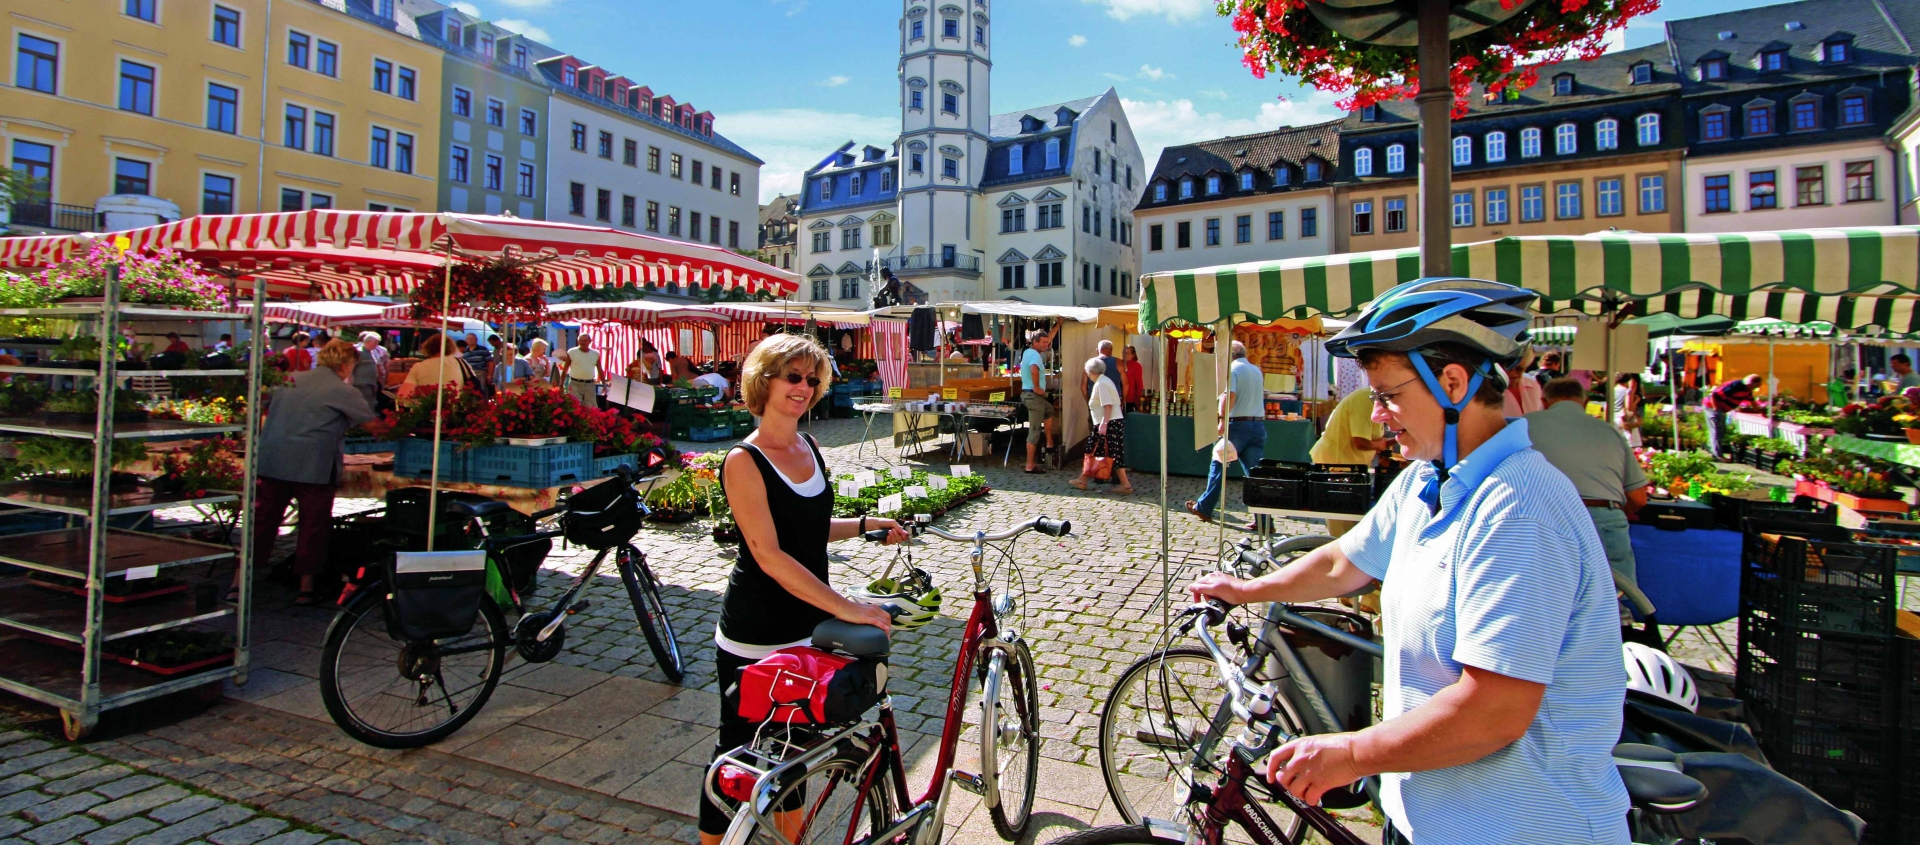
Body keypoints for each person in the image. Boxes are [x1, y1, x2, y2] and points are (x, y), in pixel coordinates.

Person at [1189, 277, 1628, 845]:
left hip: (1518, 825)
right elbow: (1344, 562)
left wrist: (1350, 753)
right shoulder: (1430, 479)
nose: (1376, 416)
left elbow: (1493, 710)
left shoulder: (1518, 508)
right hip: (1429, 814)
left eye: (1388, 396)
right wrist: (1250, 590)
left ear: (1453, 382)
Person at [696, 334, 908, 845]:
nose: (804, 388)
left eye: (813, 380)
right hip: (757, 633)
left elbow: (806, 526)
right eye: (793, 377)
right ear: (763, 381)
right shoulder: (744, 461)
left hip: (805, 628)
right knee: (738, 756)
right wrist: (848, 607)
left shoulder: (808, 445)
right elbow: (769, 555)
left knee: (794, 755)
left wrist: (863, 524)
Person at [245, 340, 377, 605]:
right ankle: (306, 588)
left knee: (262, 522)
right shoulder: (343, 390)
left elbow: (259, 406)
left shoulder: (289, 379)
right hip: (314, 466)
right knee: (313, 525)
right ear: (344, 364)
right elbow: (374, 426)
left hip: (273, 460)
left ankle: (240, 581)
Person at [1528, 377, 1650, 625]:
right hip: (1604, 516)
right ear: (1584, 403)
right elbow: (1638, 498)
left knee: (1545, 605)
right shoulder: (1609, 431)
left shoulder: (1522, 425)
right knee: (1611, 606)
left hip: (1541, 518)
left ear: (1543, 401)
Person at [1186, 340, 1268, 522]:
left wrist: (1222, 420)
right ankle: (1265, 520)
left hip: (1238, 426)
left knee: (1218, 463)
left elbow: (1229, 395)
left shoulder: (1233, 370)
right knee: (1255, 474)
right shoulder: (1256, 370)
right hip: (1257, 425)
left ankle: (1205, 507)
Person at [1308, 382, 1389, 538]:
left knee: (1350, 512)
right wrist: (1382, 444)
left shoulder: (1374, 401)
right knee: (1340, 513)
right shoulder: (1365, 401)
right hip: (1337, 460)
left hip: (1351, 464)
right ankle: (1340, 551)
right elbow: (1360, 442)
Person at [1071, 357, 1134, 495]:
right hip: (1108, 422)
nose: (1087, 374)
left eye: (1087, 372)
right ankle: (1083, 479)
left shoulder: (1101, 384)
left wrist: (1104, 424)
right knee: (1096, 450)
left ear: (1092, 371)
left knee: (1108, 452)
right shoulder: (1103, 382)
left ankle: (1125, 484)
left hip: (1108, 423)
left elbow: (1108, 405)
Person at [1020, 324, 1060, 473]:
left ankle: (1049, 442)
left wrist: (1058, 324)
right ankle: (1030, 465)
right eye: (1043, 342)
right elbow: (1034, 370)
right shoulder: (1034, 355)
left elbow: (1049, 337)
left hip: (1030, 395)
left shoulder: (1028, 352)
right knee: (1035, 431)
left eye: (1047, 343)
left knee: (1049, 410)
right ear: (1034, 342)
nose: (1046, 345)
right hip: (1033, 395)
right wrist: (1037, 387)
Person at [1704, 373, 1762, 459]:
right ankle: (1718, 455)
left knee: (1721, 430)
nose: (1756, 388)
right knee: (1716, 430)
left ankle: (1712, 451)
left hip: (1721, 409)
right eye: (1756, 386)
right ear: (1751, 383)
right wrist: (1717, 409)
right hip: (1711, 407)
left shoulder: (1747, 390)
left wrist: (1760, 410)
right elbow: (1714, 395)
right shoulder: (1735, 386)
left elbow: (1751, 400)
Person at [397, 333, 467, 399]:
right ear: (451, 347)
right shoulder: (462, 363)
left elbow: (403, 395)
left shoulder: (419, 367)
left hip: (428, 409)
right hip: (457, 408)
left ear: (427, 348)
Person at [350, 331, 389, 410]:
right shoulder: (359, 352)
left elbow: (377, 367)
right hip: (361, 383)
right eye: (375, 343)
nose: (376, 345)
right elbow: (351, 368)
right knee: (365, 404)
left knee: (371, 403)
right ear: (368, 342)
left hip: (371, 383)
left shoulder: (373, 352)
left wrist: (379, 382)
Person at [562, 334, 601, 409]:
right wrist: (561, 385)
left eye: (585, 340)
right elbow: (565, 369)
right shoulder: (572, 352)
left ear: (590, 341)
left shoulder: (595, 354)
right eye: (581, 340)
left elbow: (600, 369)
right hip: (575, 383)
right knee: (574, 405)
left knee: (591, 407)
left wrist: (604, 384)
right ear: (578, 341)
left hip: (589, 384)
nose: (583, 342)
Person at [1500, 351, 1543, 417]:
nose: (1513, 373)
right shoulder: (1488, 389)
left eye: (1519, 368)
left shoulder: (1534, 386)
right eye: (1509, 368)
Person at [1613, 372, 1645, 448]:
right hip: (1624, 420)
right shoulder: (1627, 391)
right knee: (1629, 447)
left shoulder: (1613, 390)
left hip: (1614, 418)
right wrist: (1636, 400)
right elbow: (1629, 409)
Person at [1121, 345, 1145, 411]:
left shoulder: (1136, 366)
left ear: (1132, 355)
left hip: (1130, 398)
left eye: (1127, 353)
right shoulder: (1119, 363)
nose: (1124, 355)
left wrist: (1138, 399)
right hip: (1118, 397)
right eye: (1123, 352)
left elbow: (1139, 383)